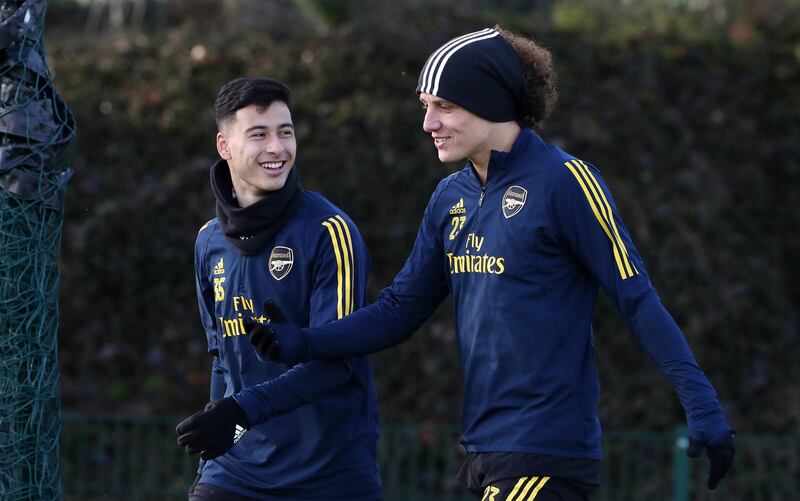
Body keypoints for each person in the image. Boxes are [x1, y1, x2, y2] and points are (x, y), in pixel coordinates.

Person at [249, 27, 736, 500]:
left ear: (492, 102)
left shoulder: (565, 182)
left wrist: (700, 401)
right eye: (426, 107)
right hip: (486, 453)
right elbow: (399, 310)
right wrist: (306, 341)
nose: (428, 124)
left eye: (445, 106)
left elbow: (637, 298)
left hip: (545, 455)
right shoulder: (449, 198)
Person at [175, 77, 381, 501]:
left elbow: (336, 361)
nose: (277, 148)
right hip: (234, 474)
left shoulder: (329, 232)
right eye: (259, 134)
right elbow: (221, 358)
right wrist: (215, 445)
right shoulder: (208, 242)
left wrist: (243, 410)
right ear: (224, 145)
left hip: (327, 478)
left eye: (285, 132)